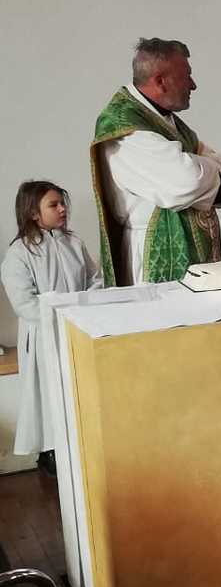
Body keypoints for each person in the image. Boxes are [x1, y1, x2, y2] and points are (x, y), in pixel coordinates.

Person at [91, 38, 221, 285]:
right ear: (160, 81)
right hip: (150, 259)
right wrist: (198, 165)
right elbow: (186, 182)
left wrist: (192, 164)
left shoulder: (166, 122)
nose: (193, 85)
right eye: (186, 76)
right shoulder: (124, 125)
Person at [1, 182, 102, 475]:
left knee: (77, 391)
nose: (62, 209)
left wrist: (84, 311)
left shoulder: (74, 243)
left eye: (62, 203)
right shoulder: (20, 253)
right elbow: (24, 302)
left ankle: (79, 449)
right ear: (33, 212)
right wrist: (61, 315)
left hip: (78, 330)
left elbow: (94, 278)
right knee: (48, 394)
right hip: (44, 336)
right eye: (54, 204)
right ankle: (51, 451)